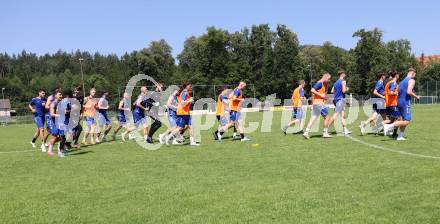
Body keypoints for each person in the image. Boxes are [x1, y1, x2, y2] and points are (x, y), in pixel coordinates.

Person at [384, 68, 420, 140]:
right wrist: (416, 96)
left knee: (403, 120)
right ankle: (389, 126)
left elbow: (398, 93)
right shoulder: (411, 80)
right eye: (415, 75)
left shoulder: (401, 81)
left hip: (399, 102)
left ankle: (400, 136)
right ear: (413, 73)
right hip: (405, 102)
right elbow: (409, 92)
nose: (414, 77)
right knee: (407, 121)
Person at [303, 73, 332, 139]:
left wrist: (323, 96)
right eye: (328, 79)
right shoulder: (320, 83)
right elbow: (312, 90)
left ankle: (306, 132)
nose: (329, 80)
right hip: (319, 103)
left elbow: (321, 92)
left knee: (313, 118)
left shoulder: (324, 84)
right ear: (325, 77)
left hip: (316, 103)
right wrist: (321, 95)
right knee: (327, 117)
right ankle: (325, 133)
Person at [327, 71, 351, 136]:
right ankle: (326, 129)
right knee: (335, 115)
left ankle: (345, 130)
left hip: (337, 100)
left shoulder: (335, 83)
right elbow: (344, 91)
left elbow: (332, 91)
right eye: (344, 73)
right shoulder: (343, 81)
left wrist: (338, 91)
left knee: (343, 116)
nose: (345, 74)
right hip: (340, 100)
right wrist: (347, 88)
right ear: (342, 74)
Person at [47, 91, 66, 157]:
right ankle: (50, 151)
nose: (61, 95)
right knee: (56, 136)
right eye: (60, 94)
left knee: (62, 137)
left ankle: (52, 145)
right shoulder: (53, 104)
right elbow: (52, 114)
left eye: (61, 94)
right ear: (55, 96)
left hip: (58, 121)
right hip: (52, 122)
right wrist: (60, 115)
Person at [383, 71, 400, 136]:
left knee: (391, 120)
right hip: (393, 104)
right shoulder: (393, 83)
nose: (399, 75)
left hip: (388, 104)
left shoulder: (388, 83)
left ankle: (380, 126)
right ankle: (394, 133)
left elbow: (386, 93)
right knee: (398, 119)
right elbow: (391, 92)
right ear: (396, 75)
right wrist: (396, 93)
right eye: (398, 74)